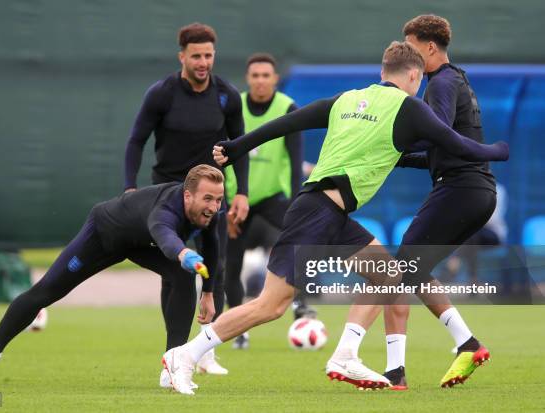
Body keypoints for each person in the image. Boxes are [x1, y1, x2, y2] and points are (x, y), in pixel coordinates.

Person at [160, 41, 509, 395]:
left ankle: (345, 355)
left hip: (327, 211)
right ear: (415, 75)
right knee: (271, 305)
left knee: (389, 275)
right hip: (316, 212)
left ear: (382, 72)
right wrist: (495, 151)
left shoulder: (348, 99)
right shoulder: (409, 107)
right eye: (419, 81)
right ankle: (186, 355)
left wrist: (239, 146)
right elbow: (454, 142)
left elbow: (289, 122)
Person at [0, 165, 223, 386]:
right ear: (188, 196)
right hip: (104, 234)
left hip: (138, 244)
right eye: (208, 198)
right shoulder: (166, 208)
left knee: (183, 276)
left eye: (219, 200)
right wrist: (182, 253)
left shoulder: (208, 215)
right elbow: (163, 234)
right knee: (45, 292)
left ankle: (173, 366)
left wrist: (208, 292)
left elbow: (213, 250)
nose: (213, 206)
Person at [371, 14, 500, 389]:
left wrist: (387, 143)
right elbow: (438, 147)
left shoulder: (439, 84)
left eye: (411, 48)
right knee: (411, 271)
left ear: (429, 48)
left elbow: (435, 135)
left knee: (396, 275)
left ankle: (396, 372)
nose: (406, 56)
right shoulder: (454, 78)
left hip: (461, 189)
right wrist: (394, 157)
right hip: (474, 190)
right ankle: (467, 343)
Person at [123, 22, 249, 375]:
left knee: (216, 267)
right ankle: (176, 348)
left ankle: (206, 350)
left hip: (210, 196)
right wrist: (130, 188)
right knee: (175, 273)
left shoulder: (227, 96)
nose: (203, 62)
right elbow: (136, 141)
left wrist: (242, 192)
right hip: (167, 194)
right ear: (182, 56)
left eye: (209, 55)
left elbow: (240, 148)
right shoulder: (162, 94)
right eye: (196, 56)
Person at [223, 52, 313, 350]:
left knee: (295, 247)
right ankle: (238, 330)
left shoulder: (287, 107)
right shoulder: (233, 107)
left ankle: (301, 307)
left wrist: (296, 203)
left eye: (266, 75)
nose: (261, 80)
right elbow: (220, 157)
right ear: (248, 79)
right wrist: (224, 205)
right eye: (255, 75)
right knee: (231, 262)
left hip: (275, 198)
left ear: (275, 79)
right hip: (238, 200)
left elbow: (295, 158)